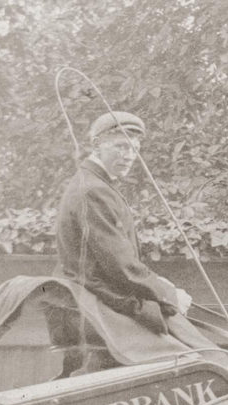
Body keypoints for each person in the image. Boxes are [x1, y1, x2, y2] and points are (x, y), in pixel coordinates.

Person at [49, 110, 194, 375]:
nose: (129, 156)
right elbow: (120, 266)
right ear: (96, 145)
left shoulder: (96, 184)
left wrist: (162, 286)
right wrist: (168, 295)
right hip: (101, 305)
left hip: (102, 299)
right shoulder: (93, 190)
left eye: (134, 148)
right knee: (201, 357)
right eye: (121, 146)